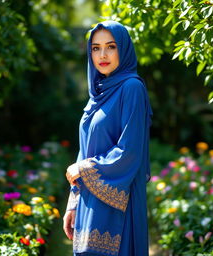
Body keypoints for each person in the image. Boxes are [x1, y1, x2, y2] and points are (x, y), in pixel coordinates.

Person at [63, 20, 153, 256]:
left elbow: (130, 150)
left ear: (123, 49)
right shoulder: (97, 94)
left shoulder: (131, 88)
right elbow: (86, 148)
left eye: (111, 46)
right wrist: (73, 204)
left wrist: (83, 168)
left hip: (119, 204)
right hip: (89, 201)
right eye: (95, 48)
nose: (102, 54)